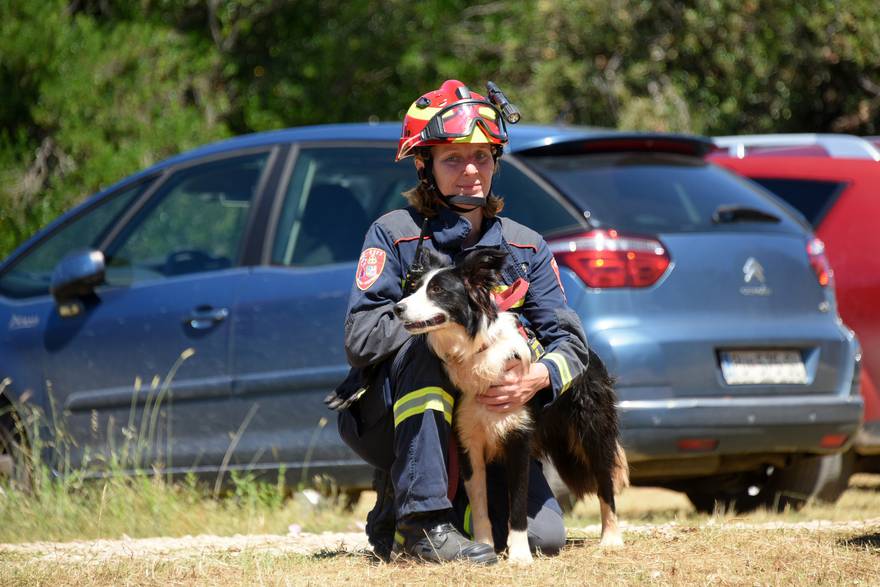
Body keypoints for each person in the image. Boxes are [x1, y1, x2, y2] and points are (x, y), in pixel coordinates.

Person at [329, 80, 591, 564]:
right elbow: (360, 338)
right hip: (393, 417)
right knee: (426, 344)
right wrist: (440, 320)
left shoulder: (526, 247)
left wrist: (538, 375)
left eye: (483, 158)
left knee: (543, 539)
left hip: (495, 426)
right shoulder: (394, 234)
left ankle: (463, 514)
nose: (471, 171)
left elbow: (572, 345)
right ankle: (420, 521)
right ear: (423, 166)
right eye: (453, 158)